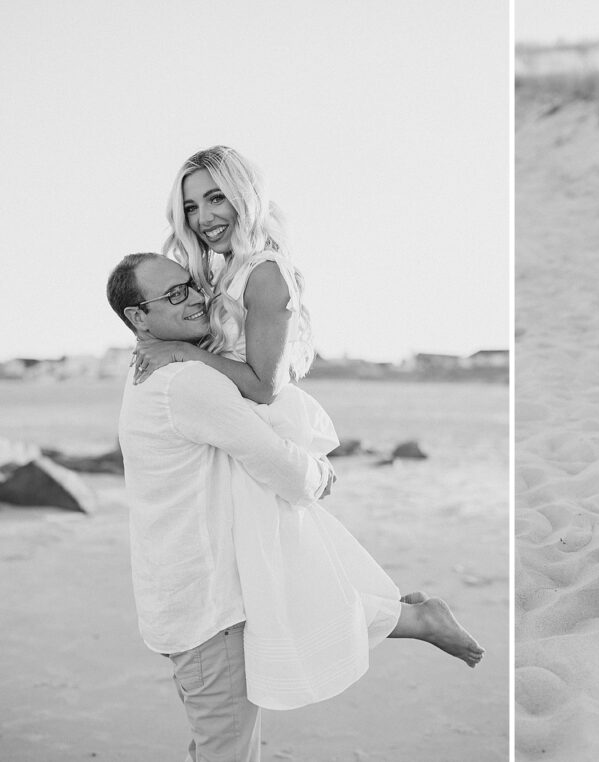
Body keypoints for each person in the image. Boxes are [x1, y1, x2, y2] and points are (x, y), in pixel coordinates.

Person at [108, 253, 482, 760]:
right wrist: (321, 473)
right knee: (221, 746)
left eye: (190, 286)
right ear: (137, 318)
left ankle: (411, 619)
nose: (195, 299)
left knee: (219, 744)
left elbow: (261, 447)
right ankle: (412, 619)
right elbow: (279, 463)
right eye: (174, 295)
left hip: (183, 603)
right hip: (203, 608)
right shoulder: (183, 381)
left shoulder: (147, 374)